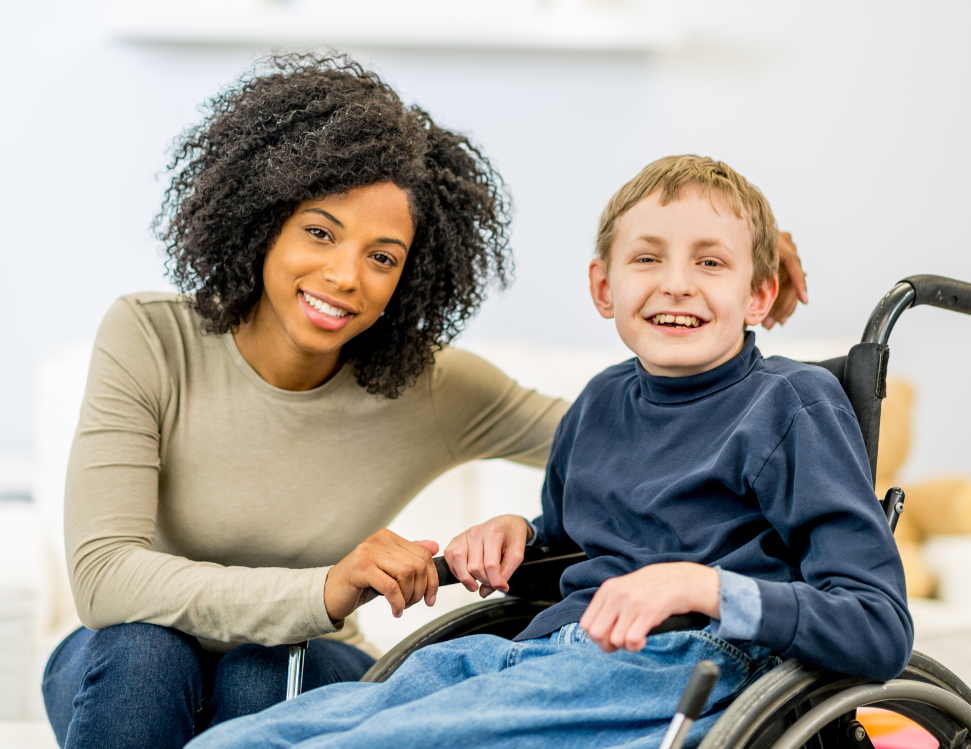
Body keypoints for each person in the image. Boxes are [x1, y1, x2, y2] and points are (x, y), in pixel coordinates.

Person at [40, 51, 808, 749]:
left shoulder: (434, 385)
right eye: (319, 232)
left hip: (298, 664)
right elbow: (107, 575)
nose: (346, 276)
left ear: (411, 275)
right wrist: (325, 587)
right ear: (261, 220)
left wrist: (724, 294)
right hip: (127, 661)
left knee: (261, 669)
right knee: (142, 647)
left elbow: (640, 445)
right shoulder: (149, 337)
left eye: (382, 257)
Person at [186, 155, 911, 749]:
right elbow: (571, 550)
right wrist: (520, 535)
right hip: (541, 653)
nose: (676, 282)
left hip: (684, 663)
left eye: (710, 262)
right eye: (647, 258)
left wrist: (697, 586)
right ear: (604, 287)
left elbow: (876, 625)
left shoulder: (789, 406)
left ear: (759, 295)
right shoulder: (598, 403)